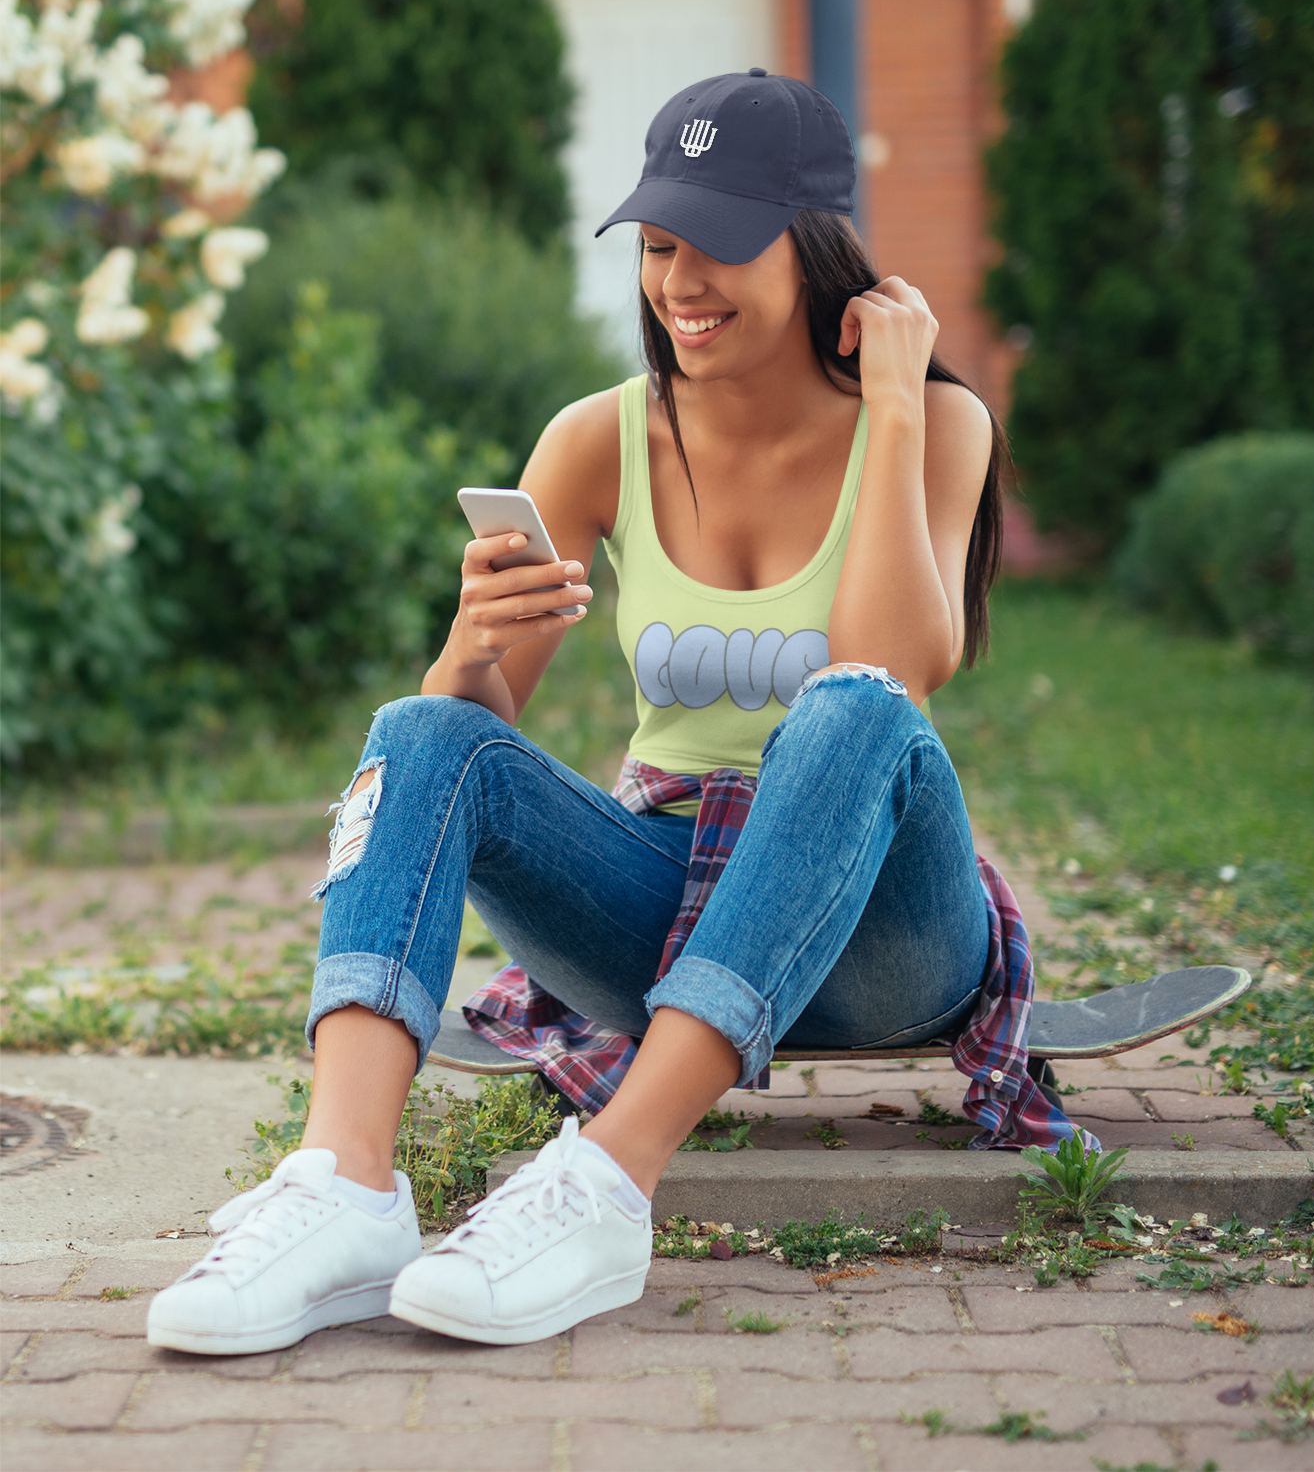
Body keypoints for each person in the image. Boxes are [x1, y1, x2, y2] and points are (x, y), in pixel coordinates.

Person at [146, 69, 1013, 1357]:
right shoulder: (601, 437)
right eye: (660, 246)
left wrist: (889, 407)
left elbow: (900, 670)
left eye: (717, 243)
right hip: (659, 921)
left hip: (884, 937)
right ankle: (343, 1188)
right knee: (420, 729)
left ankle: (605, 1183)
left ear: (819, 247)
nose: (680, 284)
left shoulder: (935, 422)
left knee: (853, 709)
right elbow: (473, 736)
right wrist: (474, 641)